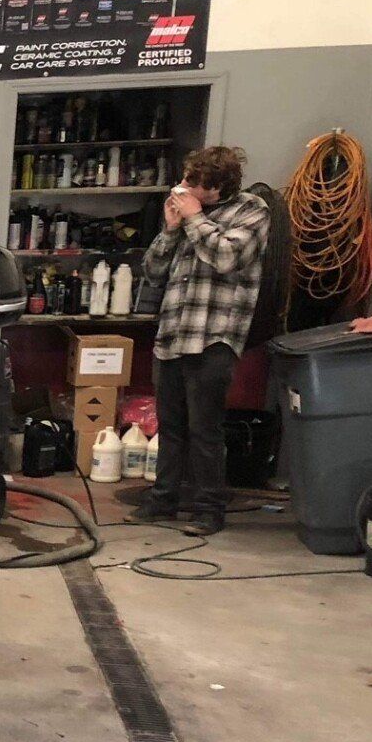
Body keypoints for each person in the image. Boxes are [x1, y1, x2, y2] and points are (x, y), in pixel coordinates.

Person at [134, 145, 270, 536]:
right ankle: (163, 500)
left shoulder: (251, 211)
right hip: (173, 335)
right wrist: (170, 229)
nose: (184, 187)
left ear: (217, 186)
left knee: (205, 429)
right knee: (170, 426)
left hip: (213, 338)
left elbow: (226, 258)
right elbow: (153, 272)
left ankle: (209, 509)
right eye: (186, 178)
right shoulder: (187, 216)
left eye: (194, 182)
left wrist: (194, 218)